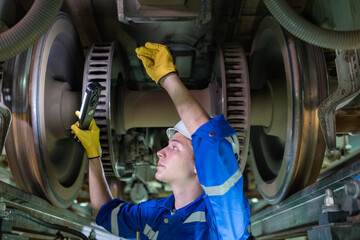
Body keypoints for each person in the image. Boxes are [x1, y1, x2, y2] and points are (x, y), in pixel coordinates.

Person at [71, 42, 250, 239]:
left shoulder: (225, 220)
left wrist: (168, 79)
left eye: (174, 147)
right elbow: (105, 213)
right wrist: (94, 153)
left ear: (200, 164)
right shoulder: (155, 213)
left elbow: (212, 144)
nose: (159, 152)